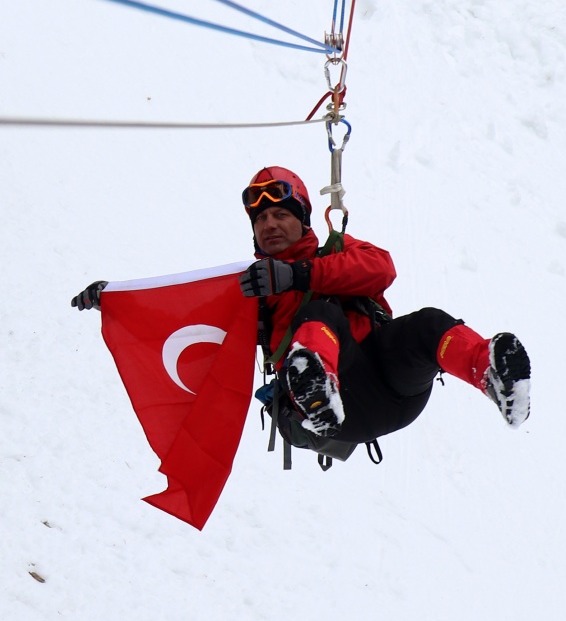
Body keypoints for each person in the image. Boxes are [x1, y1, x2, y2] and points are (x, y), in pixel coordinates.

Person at [72, 166, 531, 458]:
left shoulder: (335, 253)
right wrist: (118, 298)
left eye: (280, 215)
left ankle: (489, 373)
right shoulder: (249, 288)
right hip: (328, 414)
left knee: (428, 324)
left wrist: (300, 275)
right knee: (317, 317)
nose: (269, 224)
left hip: (387, 380)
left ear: (302, 220)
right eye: (261, 219)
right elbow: (187, 313)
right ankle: (315, 387)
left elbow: (380, 268)